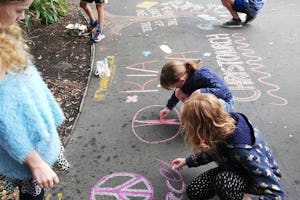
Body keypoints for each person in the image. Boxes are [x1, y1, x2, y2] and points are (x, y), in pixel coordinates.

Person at [0, 0, 69, 199]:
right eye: (19, 10)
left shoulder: (6, 32)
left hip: (37, 136)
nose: (22, 16)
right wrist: (35, 162)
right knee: (33, 194)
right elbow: (3, 118)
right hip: (26, 151)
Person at [171, 93, 286, 200]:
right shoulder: (219, 126)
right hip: (233, 166)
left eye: (189, 125)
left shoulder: (243, 149)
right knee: (195, 191)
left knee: (224, 182)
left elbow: (276, 193)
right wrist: (188, 161)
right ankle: (229, 187)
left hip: (257, 178)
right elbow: (213, 151)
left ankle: (243, 197)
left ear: (201, 127)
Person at [159, 60, 234, 120]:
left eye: (174, 85)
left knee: (198, 100)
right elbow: (176, 94)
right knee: (178, 92)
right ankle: (198, 113)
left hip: (225, 103)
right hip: (208, 99)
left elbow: (222, 92)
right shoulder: (184, 77)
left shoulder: (202, 76)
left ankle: (212, 121)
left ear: (181, 80)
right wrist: (168, 108)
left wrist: (200, 92)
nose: (175, 87)